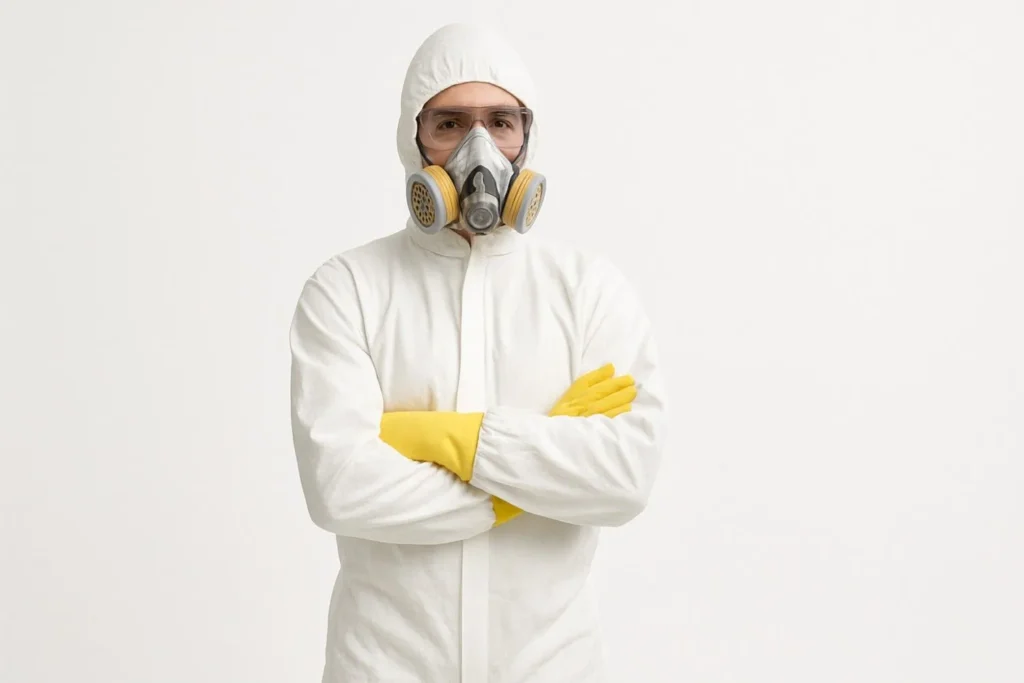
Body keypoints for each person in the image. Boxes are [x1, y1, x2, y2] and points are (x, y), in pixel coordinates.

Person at [288, 22, 668, 683]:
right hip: (381, 667)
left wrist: (443, 439)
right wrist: (536, 475)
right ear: (414, 140)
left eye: (500, 121)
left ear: (527, 138)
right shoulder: (346, 289)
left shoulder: (589, 292)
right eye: (450, 123)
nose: (479, 149)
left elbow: (625, 478)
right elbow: (341, 488)